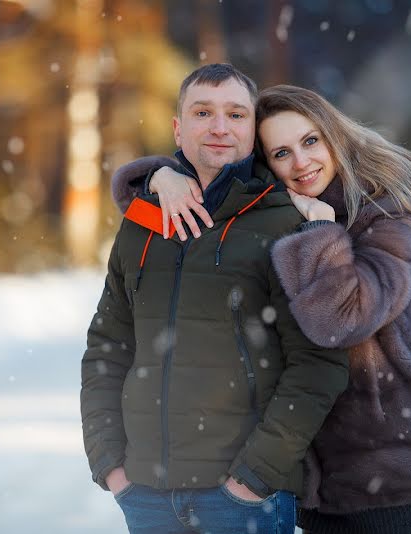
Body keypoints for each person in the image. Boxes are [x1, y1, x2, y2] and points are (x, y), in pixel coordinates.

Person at [110, 84, 411, 534]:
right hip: (318, 491)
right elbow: (180, 190)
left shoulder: (386, 213)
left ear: (334, 137)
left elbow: (344, 320)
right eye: (281, 153)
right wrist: (160, 177)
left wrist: (321, 232)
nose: (301, 163)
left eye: (310, 142)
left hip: (399, 477)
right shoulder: (277, 211)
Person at [81, 66, 350, 534]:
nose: (219, 127)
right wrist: (111, 464)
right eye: (203, 112)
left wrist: (256, 477)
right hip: (146, 496)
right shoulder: (143, 220)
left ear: (253, 131)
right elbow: (107, 347)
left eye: (235, 114)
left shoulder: (286, 222)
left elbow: (318, 363)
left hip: (243, 500)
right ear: (178, 128)